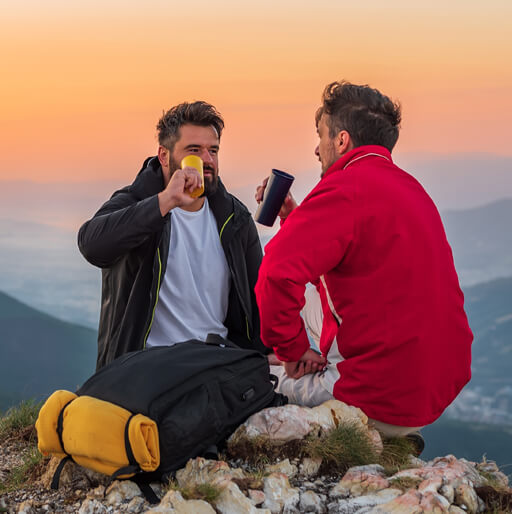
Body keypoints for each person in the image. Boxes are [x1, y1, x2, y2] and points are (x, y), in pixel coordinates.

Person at [254, 81, 473, 442]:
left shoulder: (345, 188)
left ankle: (338, 400)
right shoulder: (412, 190)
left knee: (249, 378)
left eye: (320, 136)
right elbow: (361, 263)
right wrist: (293, 219)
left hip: (375, 398)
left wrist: (291, 352)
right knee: (306, 302)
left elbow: (275, 275)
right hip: (428, 393)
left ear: (341, 141)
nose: (316, 148)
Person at [79, 101, 266, 369]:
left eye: (213, 150)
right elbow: (91, 244)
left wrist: (268, 353)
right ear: (164, 156)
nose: (207, 160)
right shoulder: (136, 203)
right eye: (194, 150)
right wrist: (164, 202)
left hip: (216, 363)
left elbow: (257, 296)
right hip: (144, 366)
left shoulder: (234, 218)